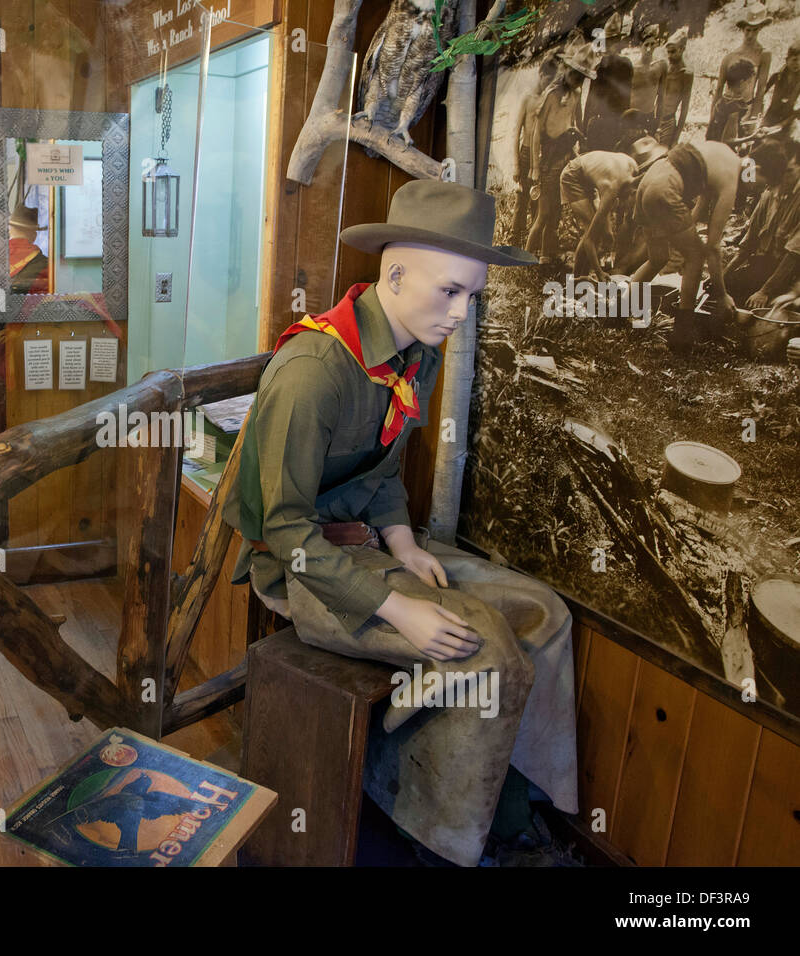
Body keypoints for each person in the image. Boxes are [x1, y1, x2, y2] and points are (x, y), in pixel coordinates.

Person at [221, 180, 579, 867]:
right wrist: (396, 609)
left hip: (366, 543)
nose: (461, 312)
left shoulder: (417, 350)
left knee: (545, 613)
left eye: (472, 295)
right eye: (450, 291)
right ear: (395, 273)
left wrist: (406, 546)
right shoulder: (314, 371)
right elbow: (287, 533)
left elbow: (383, 468)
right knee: (485, 649)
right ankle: (441, 845)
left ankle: (520, 805)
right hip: (301, 566)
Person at [630, 139, 741, 350]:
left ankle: (616, 313)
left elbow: (697, 211)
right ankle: (681, 338)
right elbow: (713, 247)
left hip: (650, 181)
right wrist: (721, 294)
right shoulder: (731, 178)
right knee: (696, 257)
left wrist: (684, 236)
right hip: (665, 188)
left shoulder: (721, 156)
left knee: (658, 259)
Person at [527, 50, 589, 261]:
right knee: (543, 213)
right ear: (566, 71)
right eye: (574, 75)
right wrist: (535, 167)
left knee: (557, 211)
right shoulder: (552, 95)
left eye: (581, 78)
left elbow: (570, 120)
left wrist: (574, 136)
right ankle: (524, 259)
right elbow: (537, 133)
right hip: (550, 157)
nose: (577, 80)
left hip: (566, 153)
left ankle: (546, 256)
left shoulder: (576, 94)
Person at [726, 138, 800, 307]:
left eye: (789, 171)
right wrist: (722, 277)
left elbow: (793, 255)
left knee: (777, 309)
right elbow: (748, 244)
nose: (783, 177)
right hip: (764, 265)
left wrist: (764, 292)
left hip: (792, 272)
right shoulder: (768, 194)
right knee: (725, 289)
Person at [558, 146, 641, 279]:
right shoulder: (612, 189)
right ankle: (576, 280)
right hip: (572, 176)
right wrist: (599, 272)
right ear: (632, 192)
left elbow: (604, 188)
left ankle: (582, 277)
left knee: (604, 232)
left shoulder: (633, 168)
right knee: (591, 231)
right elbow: (589, 240)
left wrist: (608, 230)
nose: (624, 206)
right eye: (629, 204)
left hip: (590, 178)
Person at [509, 59, 559, 244]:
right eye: (547, 79)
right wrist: (515, 164)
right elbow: (515, 132)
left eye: (552, 80)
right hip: (525, 152)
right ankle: (515, 238)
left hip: (542, 155)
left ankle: (534, 241)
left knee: (538, 198)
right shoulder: (527, 97)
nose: (549, 83)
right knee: (521, 197)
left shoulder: (548, 98)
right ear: (541, 74)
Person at [711, 1, 773, 132]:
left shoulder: (763, 54)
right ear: (743, 29)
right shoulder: (731, 56)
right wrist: (712, 117)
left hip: (746, 109)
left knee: (740, 147)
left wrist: (753, 117)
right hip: (725, 107)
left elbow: (761, 88)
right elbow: (719, 89)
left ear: (760, 28)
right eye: (748, 30)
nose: (750, 35)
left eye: (755, 30)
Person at [582, 12, 633, 152]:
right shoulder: (601, 66)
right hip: (601, 123)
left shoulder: (624, 65)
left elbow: (627, 99)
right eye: (608, 41)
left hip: (614, 123)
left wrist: (625, 127)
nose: (610, 45)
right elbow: (591, 99)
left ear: (618, 42)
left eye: (613, 40)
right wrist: (585, 128)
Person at [654, 27, 694, 148]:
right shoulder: (664, 67)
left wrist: (676, 137)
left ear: (682, 49)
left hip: (669, 121)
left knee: (662, 155)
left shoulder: (686, 74)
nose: (669, 56)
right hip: (654, 119)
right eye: (668, 52)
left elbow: (684, 107)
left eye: (673, 52)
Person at [762, 42, 800, 130]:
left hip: (787, 117)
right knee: (761, 137)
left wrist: (796, 114)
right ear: (787, 60)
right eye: (794, 59)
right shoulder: (777, 76)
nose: (798, 63)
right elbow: (762, 92)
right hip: (771, 114)